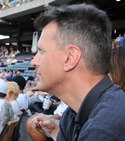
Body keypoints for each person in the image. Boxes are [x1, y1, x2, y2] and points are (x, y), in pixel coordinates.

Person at [30, 4, 125, 141]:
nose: (34, 62)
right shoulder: (72, 113)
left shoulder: (103, 131)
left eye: (41, 51)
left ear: (70, 58)